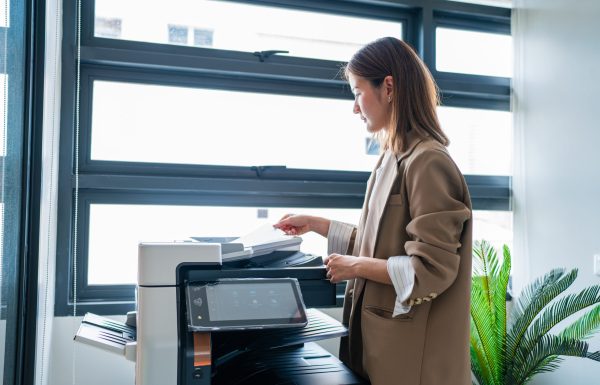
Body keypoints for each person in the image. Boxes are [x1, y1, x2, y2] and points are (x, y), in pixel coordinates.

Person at [273, 37, 472, 385]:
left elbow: (430, 269)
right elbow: (381, 242)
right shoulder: (390, 158)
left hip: (414, 359)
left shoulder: (429, 162)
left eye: (357, 92)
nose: (354, 107)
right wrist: (317, 224)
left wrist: (356, 266)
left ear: (389, 87)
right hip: (380, 341)